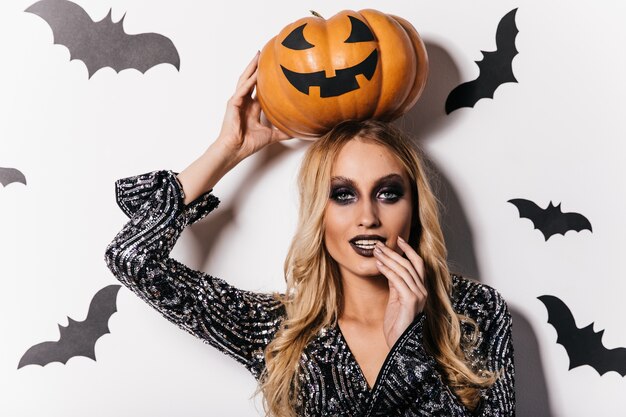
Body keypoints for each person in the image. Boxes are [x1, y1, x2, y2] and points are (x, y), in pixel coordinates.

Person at [104, 52, 515, 417]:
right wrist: (228, 149)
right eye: (343, 195)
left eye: (388, 193)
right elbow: (131, 257)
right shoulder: (279, 330)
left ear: (414, 208)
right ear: (318, 213)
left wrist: (406, 345)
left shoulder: (473, 314)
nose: (368, 216)